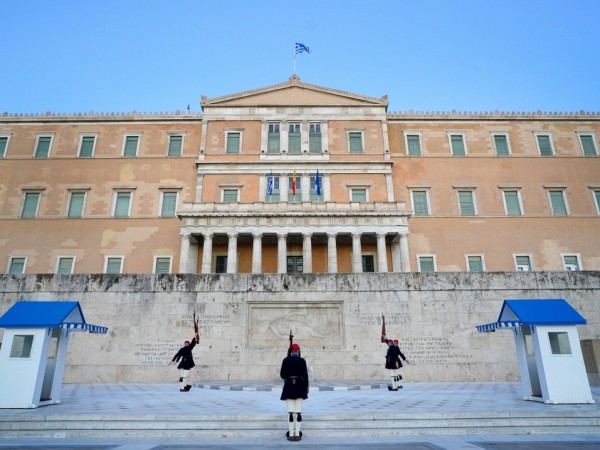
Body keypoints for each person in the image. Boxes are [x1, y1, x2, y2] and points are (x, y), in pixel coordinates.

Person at [280, 342, 309, 441]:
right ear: (298, 350)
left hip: (288, 386)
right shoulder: (302, 361)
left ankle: (291, 434)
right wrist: (306, 389)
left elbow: (282, 375)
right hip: (299, 387)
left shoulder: (285, 360)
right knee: (298, 412)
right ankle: (297, 434)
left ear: (291, 351)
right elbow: (305, 376)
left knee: (291, 413)